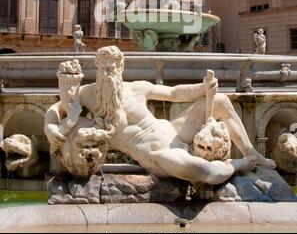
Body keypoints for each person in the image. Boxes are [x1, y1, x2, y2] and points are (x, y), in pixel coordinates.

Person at [45, 46, 275, 186]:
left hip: (174, 131)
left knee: (221, 101)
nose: (109, 71)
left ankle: (253, 154)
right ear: (97, 66)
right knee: (205, 172)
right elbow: (57, 109)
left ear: (121, 66)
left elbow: (174, 94)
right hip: (158, 154)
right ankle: (239, 164)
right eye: (104, 66)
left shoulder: (136, 87)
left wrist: (203, 87)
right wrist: (49, 127)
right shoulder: (88, 94)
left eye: (113, 66)